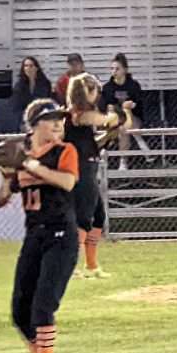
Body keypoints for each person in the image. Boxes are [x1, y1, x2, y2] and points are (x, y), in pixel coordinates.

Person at [0, 99, 79, 353]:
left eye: (60, 119)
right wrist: (7, 176)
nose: (58, 124)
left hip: (61, 236)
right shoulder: (23, 155)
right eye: (50, 119)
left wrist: (30, 164)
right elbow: (1, 200)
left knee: (43, 306)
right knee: (20, 310)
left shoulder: (64, 151)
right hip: (34, 236)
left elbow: (67, 182)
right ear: (33, 126)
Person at [64, 73, 124, 279]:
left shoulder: (84, 115)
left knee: (98, 216)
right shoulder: (76, 113)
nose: (97, 94)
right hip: (79, 170)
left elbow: (90, 142)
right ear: (84, 92)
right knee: (83, 218)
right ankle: (70, 266)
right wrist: (111, 118)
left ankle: (91, 265)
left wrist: (108, 134)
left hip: (89, 167)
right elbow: (97, 119)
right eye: (94, 90)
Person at [101, 53, 149, 170]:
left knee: (126, 120)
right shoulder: (108, 87)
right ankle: (138, 143)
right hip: (116, 120)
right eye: (112, 69)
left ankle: (123, 161)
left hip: (133, 118)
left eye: (117, 69)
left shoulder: (133, 85)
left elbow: (138, 103)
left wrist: (130, 105)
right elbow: (106, 105)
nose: (114, 71)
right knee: (122, 127)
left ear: (125, 70)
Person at [11, 57, 53, 121]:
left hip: (42, 119)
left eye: (31, 66)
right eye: (26, 66)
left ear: (36, 68)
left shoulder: (45, 84)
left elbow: (49, 102)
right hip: (24, 120)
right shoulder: (19, 86)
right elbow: (16, 107)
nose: (28, 68)